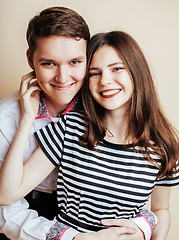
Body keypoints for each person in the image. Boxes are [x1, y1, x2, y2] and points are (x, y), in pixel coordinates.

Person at [1, 30, 178, 240]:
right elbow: (7, 195)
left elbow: (161, 210)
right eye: (95, 73)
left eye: (117, 69)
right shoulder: (71, 128)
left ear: (136, 72)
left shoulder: (163, 145)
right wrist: (28, 117)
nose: (105, 81)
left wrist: (146, 231)